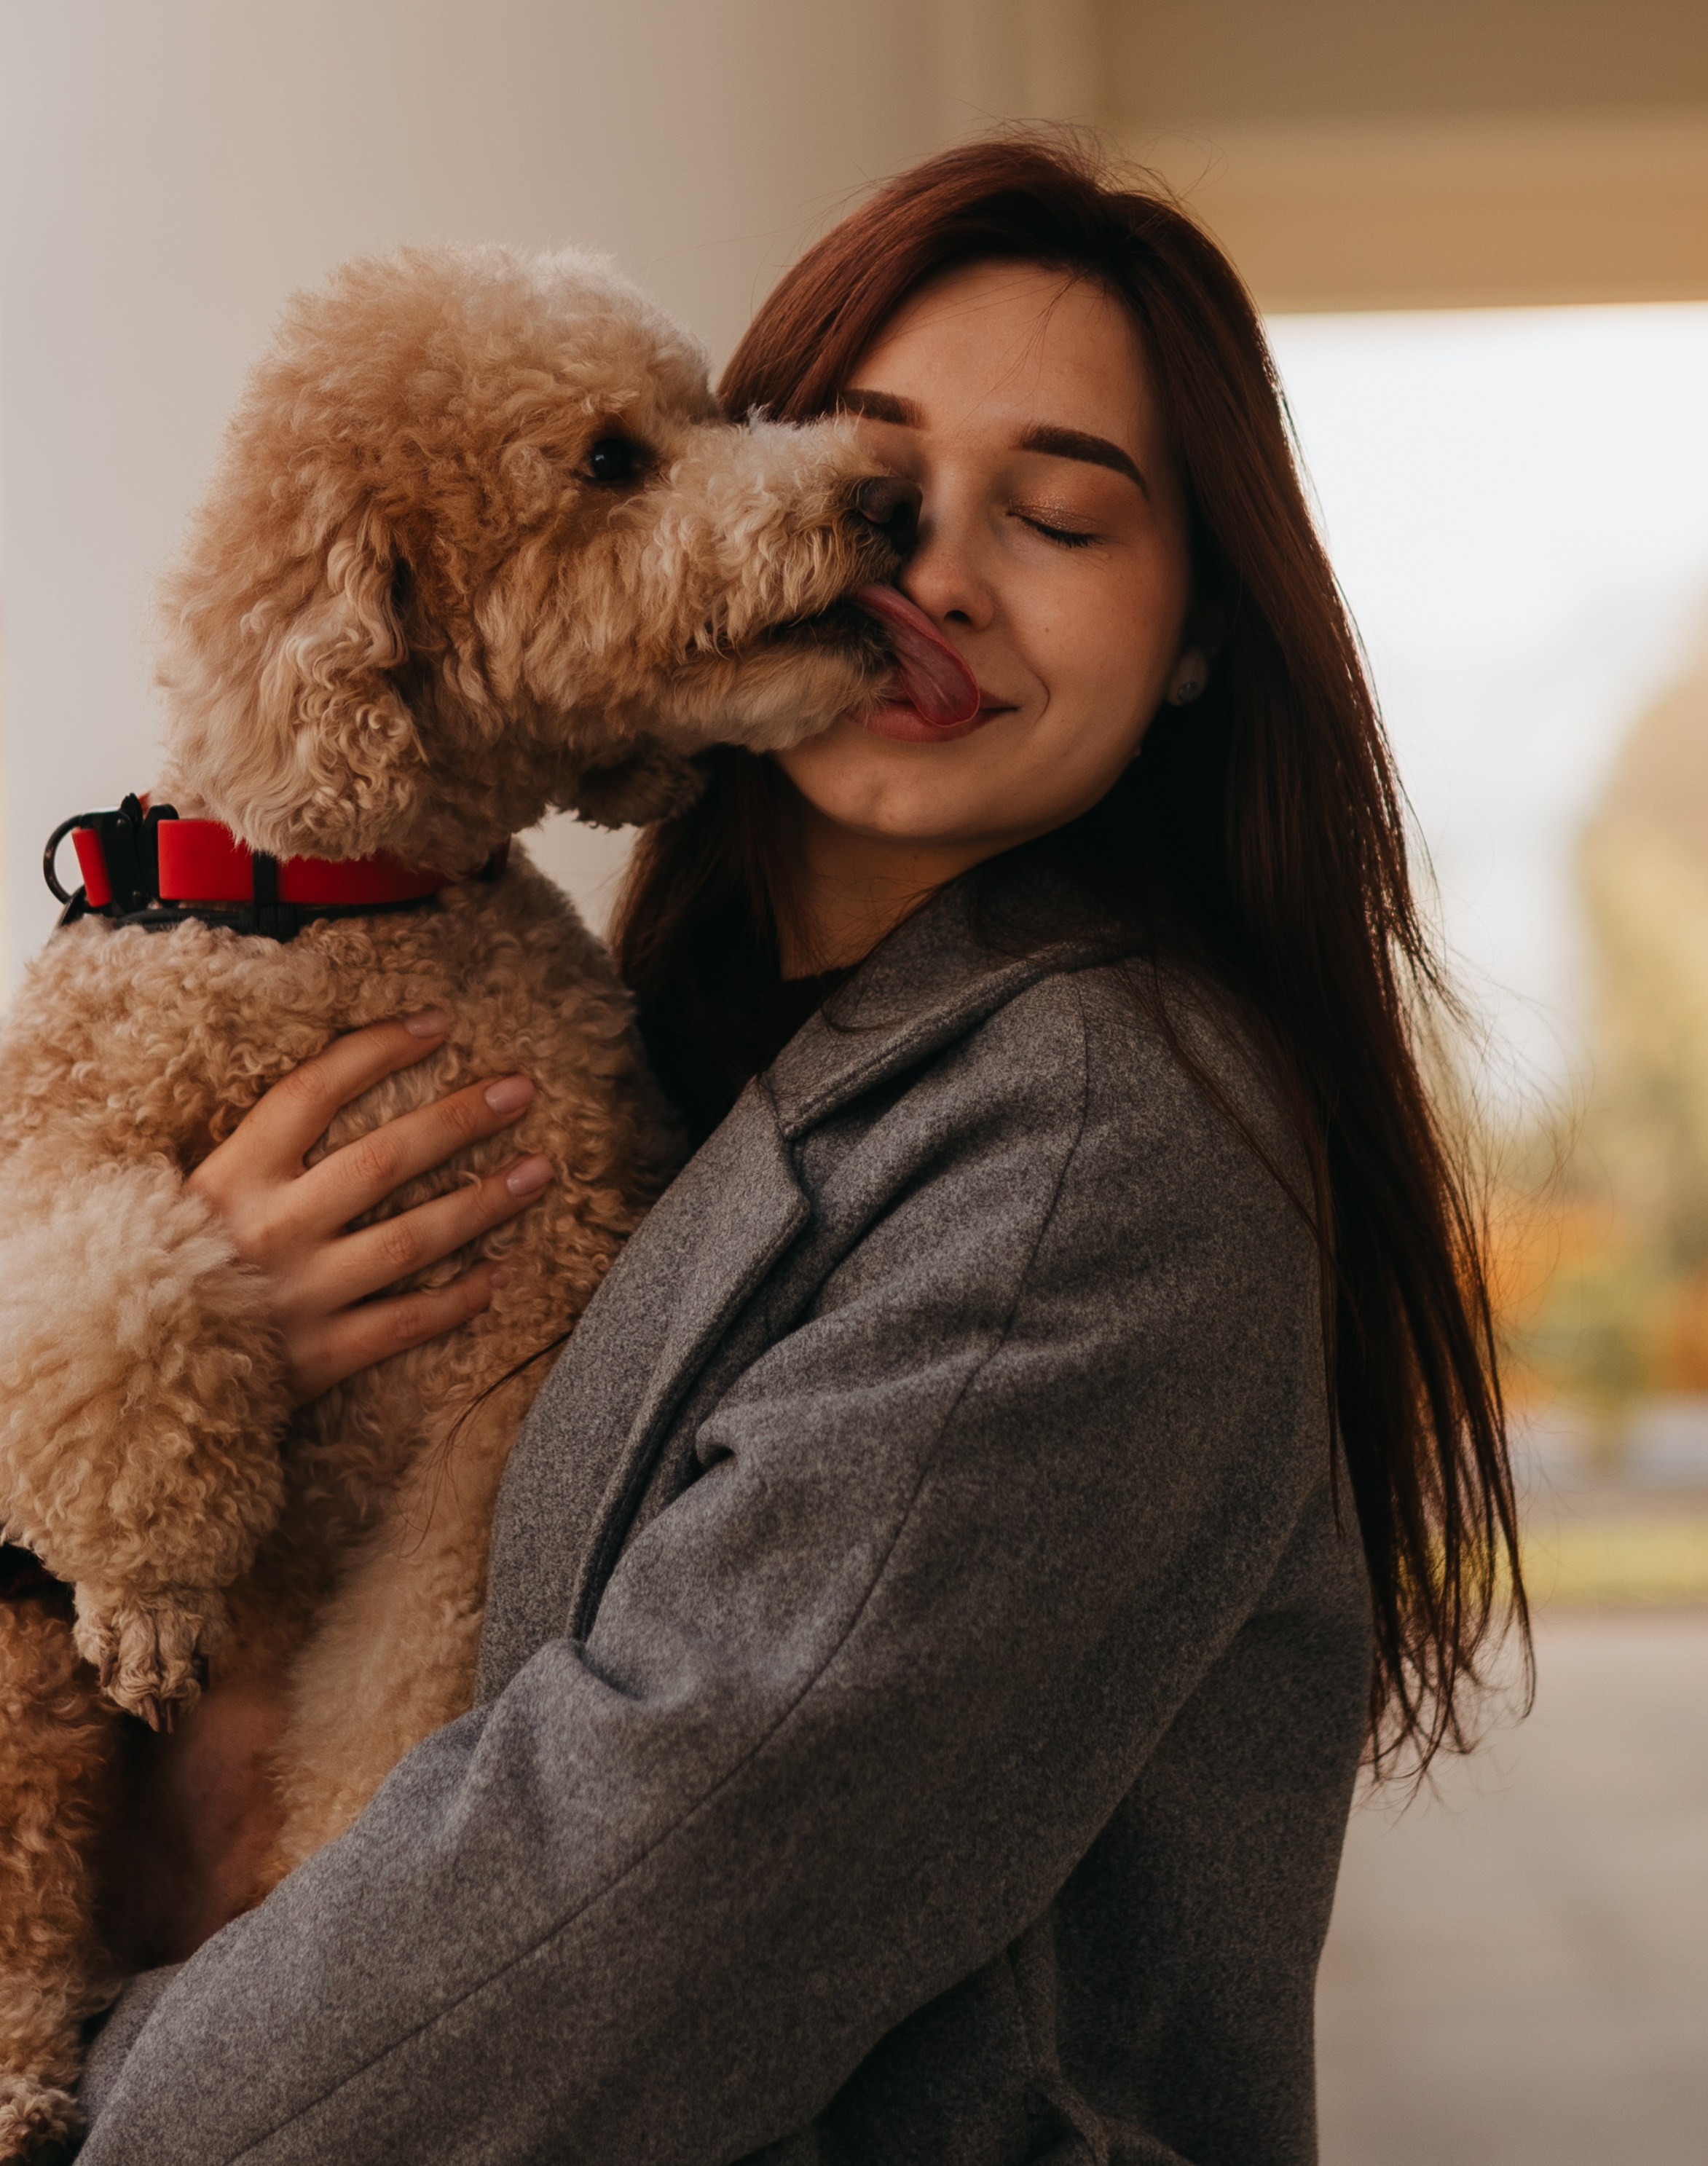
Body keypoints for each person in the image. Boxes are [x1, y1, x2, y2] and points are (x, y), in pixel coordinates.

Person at [78, 136, 1524, 2165]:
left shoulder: (1092, 1155)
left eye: (1059, 516)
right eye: (874, 470)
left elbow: (634, 1881)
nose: (928, 568)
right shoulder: (638, 1057)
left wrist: (89, 2111)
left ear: (1197, 636)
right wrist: (162, 1357)